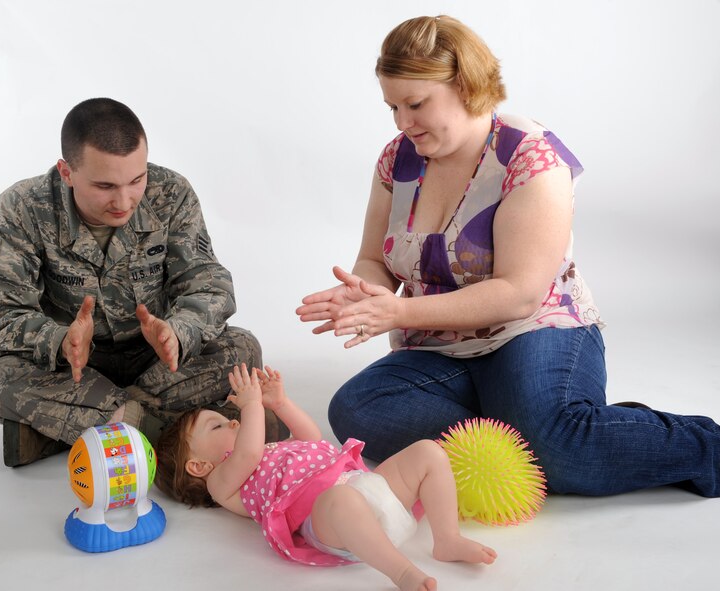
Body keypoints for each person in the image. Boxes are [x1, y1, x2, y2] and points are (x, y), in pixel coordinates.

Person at [296, 15, 720, 498]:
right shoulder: (398, 158)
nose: (402, 122)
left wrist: (398, 311)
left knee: (559, 453)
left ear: (466, 85)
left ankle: (696, 445)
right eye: (392, 106)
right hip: (443, 350)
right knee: (357, 410)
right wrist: (363, 291)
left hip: (533, 332)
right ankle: (547, 425)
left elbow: (518, 295)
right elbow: (375, 258)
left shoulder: (529, 155)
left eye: (415, 104)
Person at [0, 97, 269, 467]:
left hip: (154, 358)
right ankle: (180, 432)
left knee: (242, 349)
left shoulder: (170, 194)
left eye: (136, 180)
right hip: (73, 365)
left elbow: (207, 282)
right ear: (67, 172)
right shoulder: (21, 208)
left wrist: (179, 332)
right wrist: (60, 341)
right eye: (105, 186)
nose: (124, 201)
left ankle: (73, 429)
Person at [155, 364, 496, 591]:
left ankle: (447, 538)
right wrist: (250, 405)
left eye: (230, 417)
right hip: (330, 523)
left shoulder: (274, 449)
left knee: (427, 451)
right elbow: (248, 453)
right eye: (217, 425)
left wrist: (280, 403)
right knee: (339, 500)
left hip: (371, 490)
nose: (232, 422)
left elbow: (311, 437)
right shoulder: (223, 483)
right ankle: (402, 572)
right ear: (198, 466)